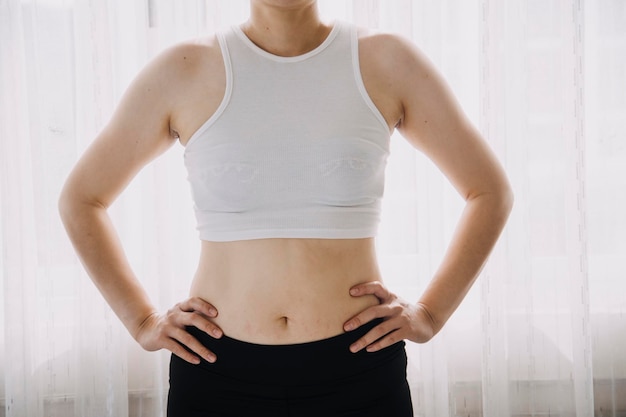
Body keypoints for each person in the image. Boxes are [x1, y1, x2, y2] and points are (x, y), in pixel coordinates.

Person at [59, 0, 513, 415]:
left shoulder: (385, 60)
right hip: (216, 372)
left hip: (359, 369)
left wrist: (431, 314)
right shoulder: (184, 69)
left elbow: (489, 191)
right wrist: (141, 321)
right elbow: (82, 200)